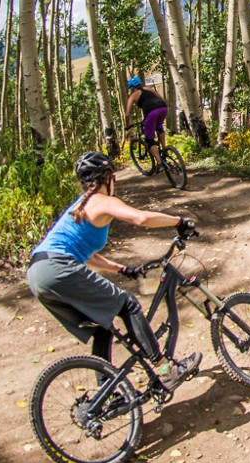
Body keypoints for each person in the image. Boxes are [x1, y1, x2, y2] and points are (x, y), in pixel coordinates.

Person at [26, 151, 200, 391]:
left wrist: (120, 268)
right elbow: (141, 219)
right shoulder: (102, 201)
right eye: (114, 178)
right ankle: (165, 369)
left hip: (38, 273)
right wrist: (179, 221)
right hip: (56, 268)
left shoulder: (80, 206)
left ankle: (107, 393)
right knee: (128, 304)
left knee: (102, 328)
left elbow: (85, 254)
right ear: (107, 178)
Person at [125, 75, 169, 167]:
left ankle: (159, 163)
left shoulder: (132, 96)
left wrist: (127, 125)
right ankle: (165, 149)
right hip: (163, 108)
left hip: (151, 113)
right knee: (159, 127)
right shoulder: (150, 89)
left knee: (149, 140)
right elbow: (163, 100)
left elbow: (127, 114)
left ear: (132, 88)